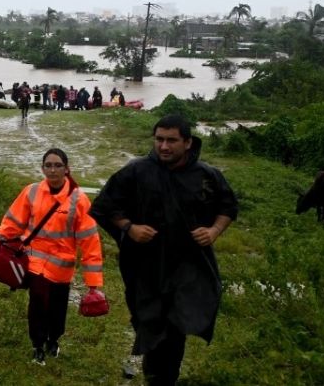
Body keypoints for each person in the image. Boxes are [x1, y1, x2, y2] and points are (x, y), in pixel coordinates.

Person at [91, 115, 238, 385]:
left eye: (171, 140)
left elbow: (227, 207)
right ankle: (155, 371)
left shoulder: (207, 175)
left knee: (175, 327)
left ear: (188, 142)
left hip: (189, 267)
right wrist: (129, 227)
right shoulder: (136, 172)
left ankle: (163, 378)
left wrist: (214, 231)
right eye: (159, 139)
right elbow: (103, 206)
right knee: (148, 321)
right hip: (145, 267)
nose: (164, 146)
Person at [0, 148, 104, 366]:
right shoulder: (32, 191)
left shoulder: (79, 200)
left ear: (67, 169)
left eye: (58, 165)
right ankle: (37, 345)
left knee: (57, 306)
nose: (53, 170)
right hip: (35, 262)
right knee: (38, 302)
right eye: (48, 165)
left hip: (62, 267)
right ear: (42, 168)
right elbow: (12, 223)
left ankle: (53, 339)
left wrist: (93, 284)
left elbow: (89, 242)